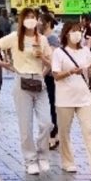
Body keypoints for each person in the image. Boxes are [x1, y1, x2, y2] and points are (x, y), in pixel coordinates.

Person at [0, 8, 54, 175]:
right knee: (25, 125)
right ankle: (30, 160)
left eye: (33, 17)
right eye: (27, 17)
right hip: (22, 81)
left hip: (39, 82)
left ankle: (43, 155)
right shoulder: (15, 37)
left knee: (47, 123)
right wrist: (2, 62)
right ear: (22, 20)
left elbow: (51, 63)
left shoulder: (42, 39)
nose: (30, 20)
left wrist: (42, 62)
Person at [52, 20, 91, 178]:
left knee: (89, 130)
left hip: (84, 97)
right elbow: (56, 75)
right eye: (73, 31)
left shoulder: (85, 51)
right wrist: (70, 72)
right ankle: (67, 161)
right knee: (64, 132)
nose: (76, 34)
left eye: (78, 30)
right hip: (65, 99)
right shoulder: (59, 53)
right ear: (66, 34)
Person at [40, 12, 61, 149]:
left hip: (50, 77)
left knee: (52, 106)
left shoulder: (52, 38)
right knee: (48, 106)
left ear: (47, 23)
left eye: (40, 21)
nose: (37, 23)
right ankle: (53, 135)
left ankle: (54, 135)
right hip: (45, 76)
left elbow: (51, 60)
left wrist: (41, 75)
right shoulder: (43, 37)